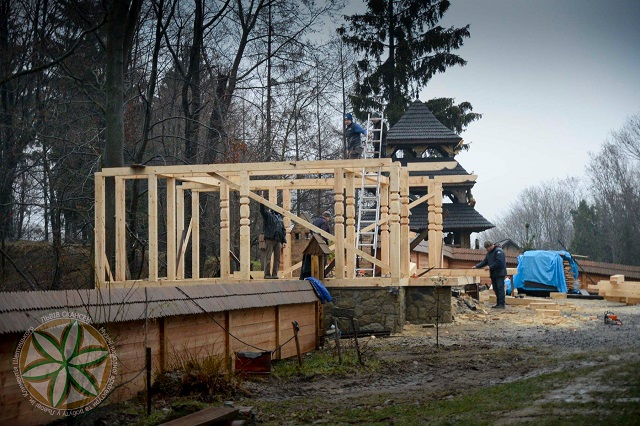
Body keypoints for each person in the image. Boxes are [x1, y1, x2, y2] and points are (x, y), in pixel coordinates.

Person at [475, 241, 507, 308]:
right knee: (495, 288)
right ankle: (498, 303)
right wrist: (477, 266)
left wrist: (490, 267)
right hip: (494, 273)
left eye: (487, 248)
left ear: (491, 246)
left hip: (499, 273)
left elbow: (499, 262)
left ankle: (502, 304)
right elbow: (485, 261)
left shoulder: (498, 251)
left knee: (500, 288)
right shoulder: (489, 253)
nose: (487, 250)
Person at [260, 203, 286, 279]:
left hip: (278, 240)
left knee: (277, 258)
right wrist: (262, 203)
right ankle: (267, 274)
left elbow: (283, 230)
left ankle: (275, 274)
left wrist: (284, 241)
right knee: (268, 257)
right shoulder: (268, 215)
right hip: (270, 238)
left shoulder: (280, 218)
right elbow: (262, 211)